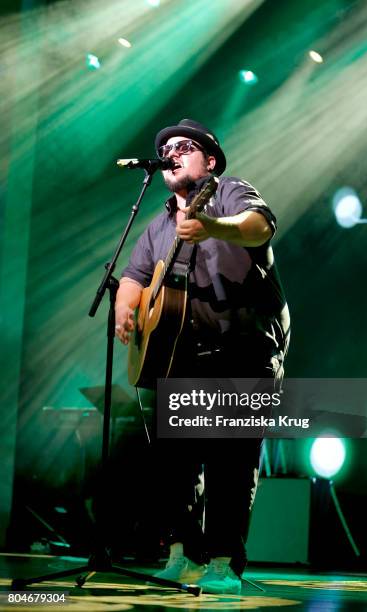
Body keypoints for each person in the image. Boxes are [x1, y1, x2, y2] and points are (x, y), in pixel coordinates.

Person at [114, 119, 290, 594]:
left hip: (244, 345)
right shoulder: (157, 226)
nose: (171, 152)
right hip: (183, 353)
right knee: (175, 460)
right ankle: (182, 555)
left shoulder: (229, 190)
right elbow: (132, 275)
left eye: (183, 147)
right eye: (166, 148)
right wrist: (125, 309)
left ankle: (224, 563)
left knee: (231, 460)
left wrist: (211, 225)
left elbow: (259, 227)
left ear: (208, 161)